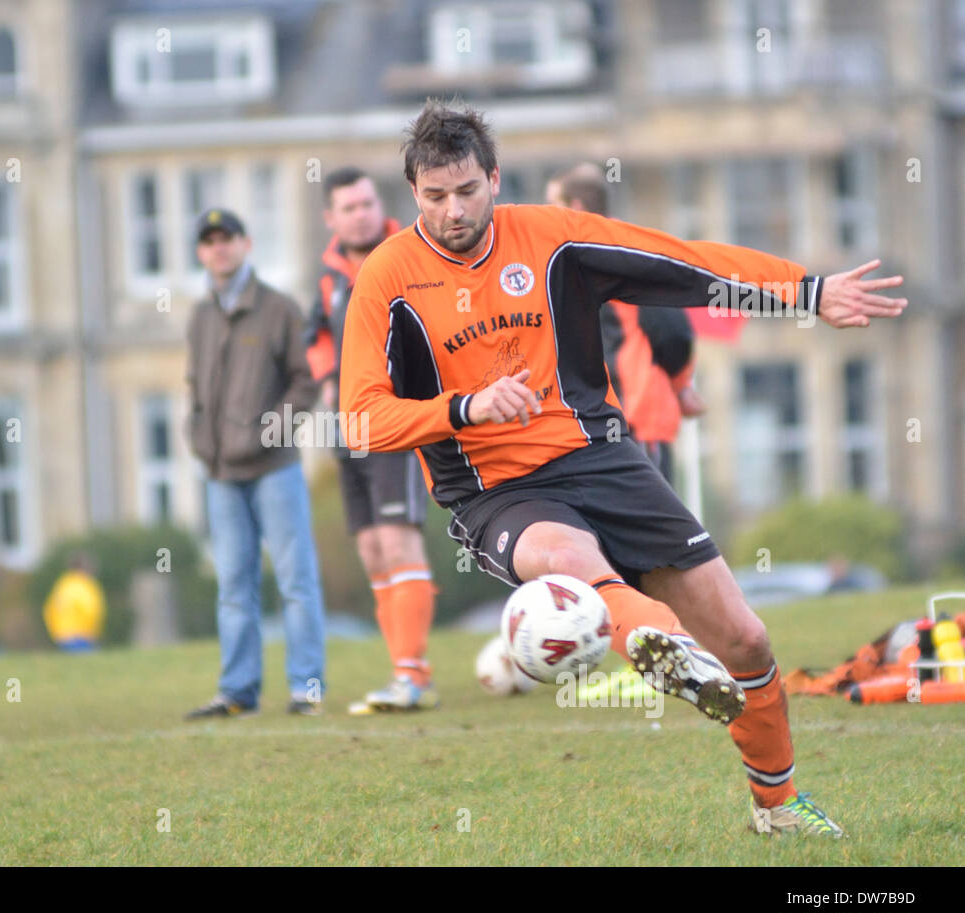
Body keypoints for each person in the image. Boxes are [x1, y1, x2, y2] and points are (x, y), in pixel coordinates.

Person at [340, 100, 906, 836]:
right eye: (435, 196)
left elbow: (679, 263)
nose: (453, 211)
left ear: (495, 180)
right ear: (413, 193)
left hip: (603, 459)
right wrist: (460, 409)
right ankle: (657, 641)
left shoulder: (551, 237)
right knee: (566, 556)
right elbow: (358, 417)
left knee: (749, 641)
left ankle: (778, 807)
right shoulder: (386, 279)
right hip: (495, 492)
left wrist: (805, 290)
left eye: (468, 192)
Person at [184, 209, 326, 718]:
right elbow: (196, 390)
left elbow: (306, 381)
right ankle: (237, 691)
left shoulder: (280, 309)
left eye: (228, 239)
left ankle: (306, 689)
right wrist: (198, 434)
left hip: (275, 470)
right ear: (201, 252)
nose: (219, 248)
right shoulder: (200, 317)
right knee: (234, 587)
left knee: (295, 581)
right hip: (220, 475)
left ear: (246, 244)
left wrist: (270, 432)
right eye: (209, 241)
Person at [306, 167, 438, 714]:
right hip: (347, 428)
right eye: (348, 207)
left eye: (366, 203)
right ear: (330, 219)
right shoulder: (329, 276)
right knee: (370, 549)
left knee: (397, 539)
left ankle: (413, 675)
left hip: (396, 420)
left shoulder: (409, 253)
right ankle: (402, 671)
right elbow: (313, 337)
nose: (360, 214)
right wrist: (326, 378)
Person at [546, 162, 706, 483]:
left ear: (575, 208)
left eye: (553, 207)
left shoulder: (624, 252)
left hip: (636, 415)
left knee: (652, 527)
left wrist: (678, 385)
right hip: (604, 417)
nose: (547, 217)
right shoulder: (579, 258)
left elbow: (672, 328)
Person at [43, 555, 106, 651]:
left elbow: (50, 611)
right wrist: (88, 631)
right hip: (77, 636)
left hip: (70, 635)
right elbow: (89, 611)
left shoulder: (66, 584)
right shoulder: (77, 586)